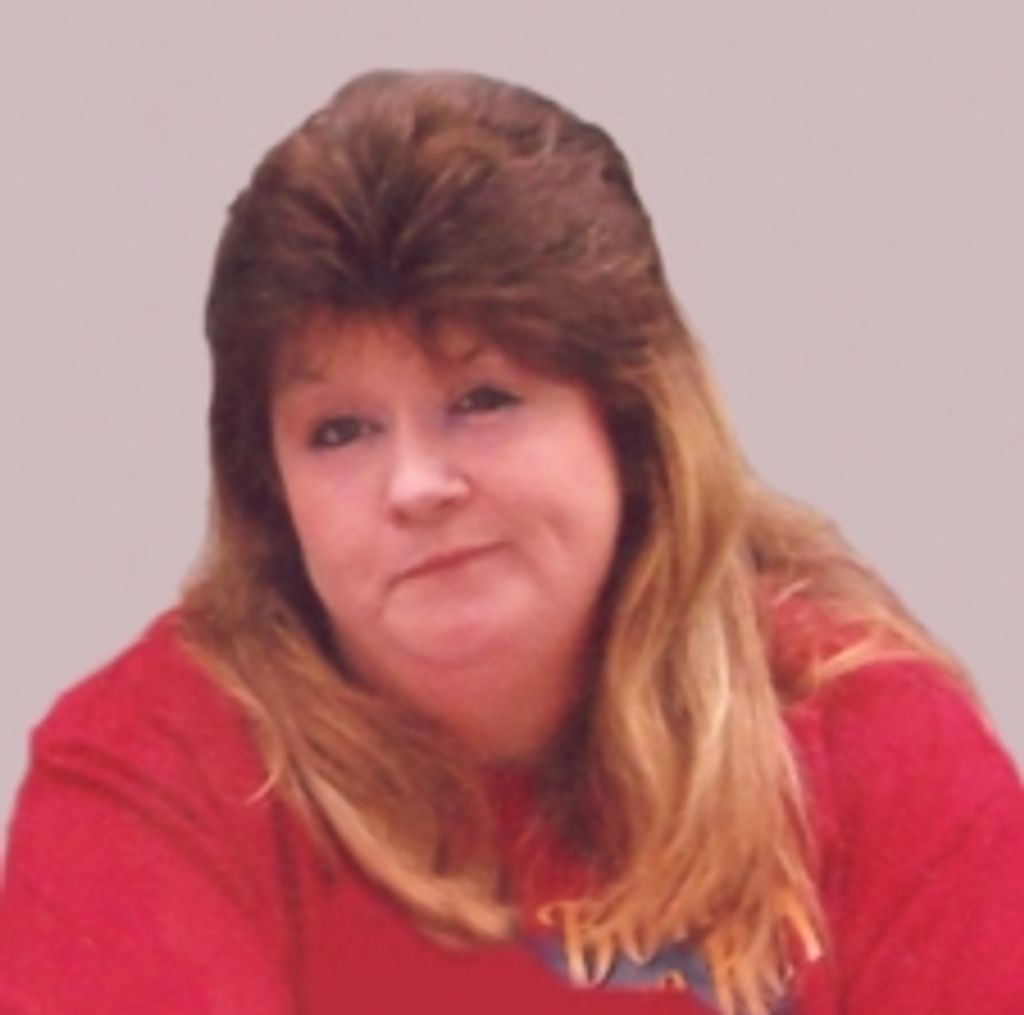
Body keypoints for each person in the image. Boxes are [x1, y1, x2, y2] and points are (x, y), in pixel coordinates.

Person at [1, 70, 1022, 1015]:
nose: (414, 486)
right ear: (270, 493)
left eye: (482, 398)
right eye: (340, 431)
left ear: (633, 429)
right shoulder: (153, 768)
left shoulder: (879, 745)